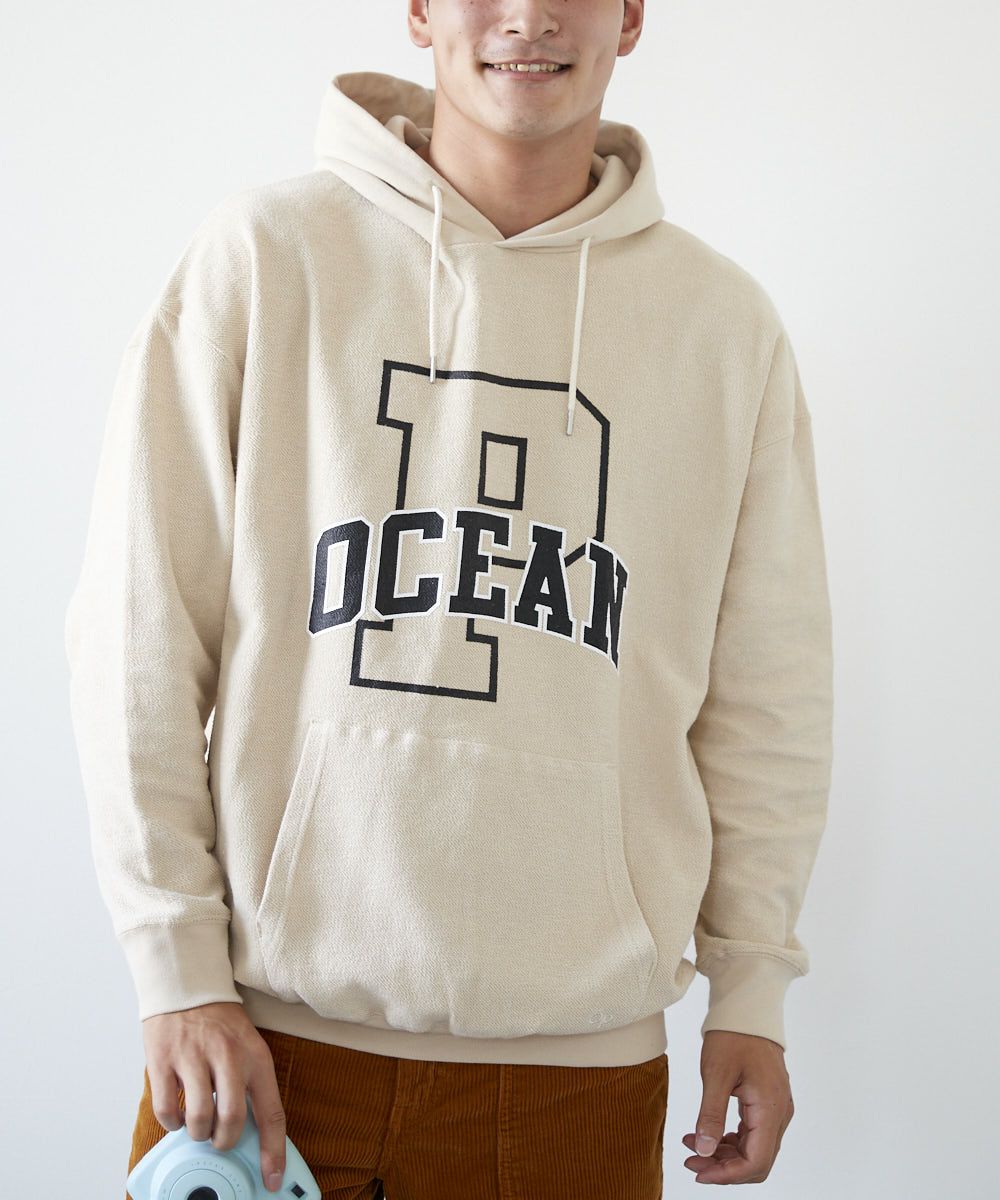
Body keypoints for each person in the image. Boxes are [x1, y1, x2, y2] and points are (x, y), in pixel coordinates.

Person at [64, 1, 834, 1196]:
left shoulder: (721, 327)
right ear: (420, 10)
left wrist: (751, 987)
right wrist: (177, 971)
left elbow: (767, 695)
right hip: (266, 1060)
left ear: (631, 16)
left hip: (580, 1081)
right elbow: (137, 637)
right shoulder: (264, 259)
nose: (528, 16)